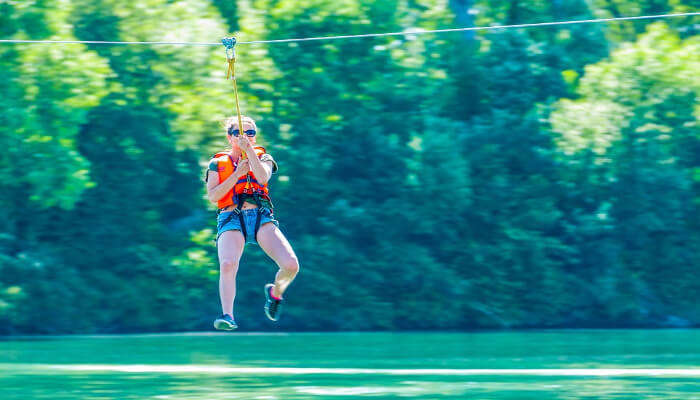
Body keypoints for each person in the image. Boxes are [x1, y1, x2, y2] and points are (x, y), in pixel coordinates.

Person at [205, 115, 299, 330]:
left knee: (291, 265)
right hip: (231, 216)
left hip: (260, 216)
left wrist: (250, 155)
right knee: (228, 264)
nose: (245, 136)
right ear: (230, 138)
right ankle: (227, 315)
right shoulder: (217, 164)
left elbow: (263, 177)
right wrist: (237, 173)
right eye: (239, 133)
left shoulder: (263, 157)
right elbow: (213, 195)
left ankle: (275, 294)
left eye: (250, 133)